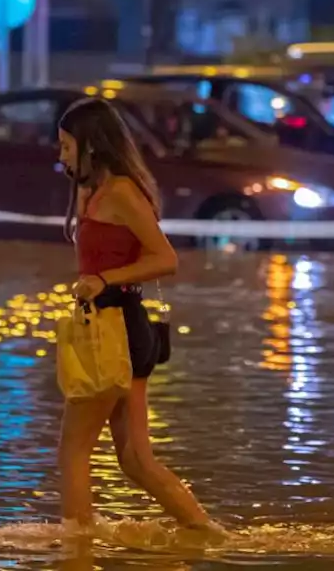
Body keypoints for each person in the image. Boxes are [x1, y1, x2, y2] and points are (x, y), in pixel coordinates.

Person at [55, 98, 222, 536]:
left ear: (92, 145)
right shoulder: (92, 192)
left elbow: (165, 259)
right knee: (134, 460)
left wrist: (103, 279)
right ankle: (207, 534)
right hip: (113, 327)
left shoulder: (123, 193)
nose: (62, 156)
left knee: (73, 449)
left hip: (120, 327)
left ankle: (76, 549)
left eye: (67, 147)